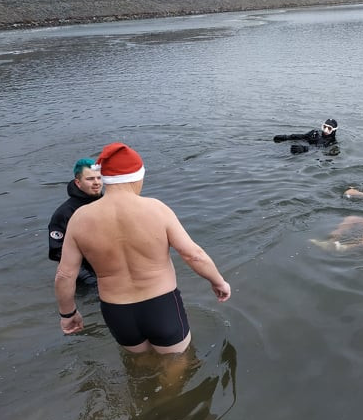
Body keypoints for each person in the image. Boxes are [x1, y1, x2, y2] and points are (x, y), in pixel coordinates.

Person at [54, 142, 231, 355]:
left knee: (138, 366)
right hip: (161, 305)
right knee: (177, 366)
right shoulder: (156, 209)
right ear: (136, 177)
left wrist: (68, 314)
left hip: (116, 311)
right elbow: (194, 255)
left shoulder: (79, 219)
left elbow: (64, 275)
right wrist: (218, 282)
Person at [48, 158, 103, 288]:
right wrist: (90, 282)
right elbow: (59, 253)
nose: (96, 183)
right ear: (78, 183)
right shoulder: (63, 214)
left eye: (99, 178)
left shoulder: (108, 204)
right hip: (86, 279)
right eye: (90, 179)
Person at [273, 119, 339, 155]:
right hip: (302, 144)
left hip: (308, 150)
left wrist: (305, 149)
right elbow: (303, 136)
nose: (325, 130)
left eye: (329, 128)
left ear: (334, 130)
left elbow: (319, 148)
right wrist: (287, 137)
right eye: (324, 127)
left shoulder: (332, 142)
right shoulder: (315, 132)